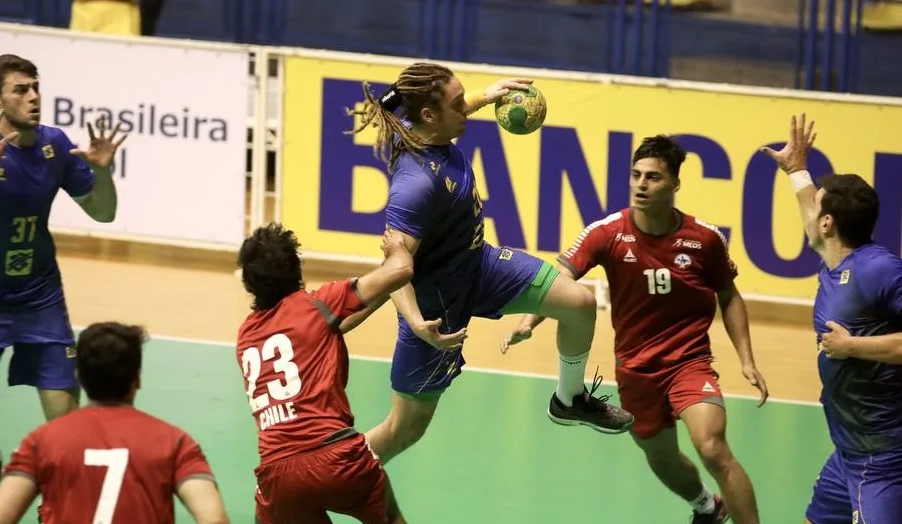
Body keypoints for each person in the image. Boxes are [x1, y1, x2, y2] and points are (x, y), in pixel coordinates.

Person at [345, 62, 634, 466]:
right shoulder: (415, 185)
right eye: (460, 102)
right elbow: (394, 267)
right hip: (437, 309)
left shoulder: (430, 132)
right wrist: (415, 323)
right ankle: (324, 477)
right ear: (429, 115)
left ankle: (569, 399)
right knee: (403, 430)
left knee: (580, 304)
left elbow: (457, 109)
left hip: (479, 266)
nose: (469, 105)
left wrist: (490, 93)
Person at [504, 135, 769, 524]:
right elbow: (560, 277)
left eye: (654, 177)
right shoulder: (608, 232)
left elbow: (728, 295)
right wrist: (530, 318)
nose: (642, 184)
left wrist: (747, 360)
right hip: (635, 368)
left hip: (689, 362)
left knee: (712, 448)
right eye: (636, 175)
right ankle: (707, 507)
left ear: (674, 185)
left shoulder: (705, 239)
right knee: (660, 457)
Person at [0, 54, 124, 488]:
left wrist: (102, 173)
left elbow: (104, 213)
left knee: (65, 426)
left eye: (35, 87)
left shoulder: (54, 145)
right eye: (21, 89)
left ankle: (54, 509)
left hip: (40, 299)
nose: (35, 97)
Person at [760, 114, 902, 524]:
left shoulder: (879, 271)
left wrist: (853, 346)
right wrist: (797, 171)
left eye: (819, 208)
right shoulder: (835, 258)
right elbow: (811, 215)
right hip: (848, 450)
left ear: (829, 224)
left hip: (883, 458)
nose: (812, 215)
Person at [235, 223, 412, 523]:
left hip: (278, 478)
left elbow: (334, 324)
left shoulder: (246, 335)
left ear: (250, 283)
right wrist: (398, 249)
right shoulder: (319, 304)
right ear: (296, 266)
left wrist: (382, 288)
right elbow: (401, 270)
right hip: (338, 460)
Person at [0, 321, 229, 524]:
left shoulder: (41, 441)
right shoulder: (175, 442)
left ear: (79, 376)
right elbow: (214, 520)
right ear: (137, 379)